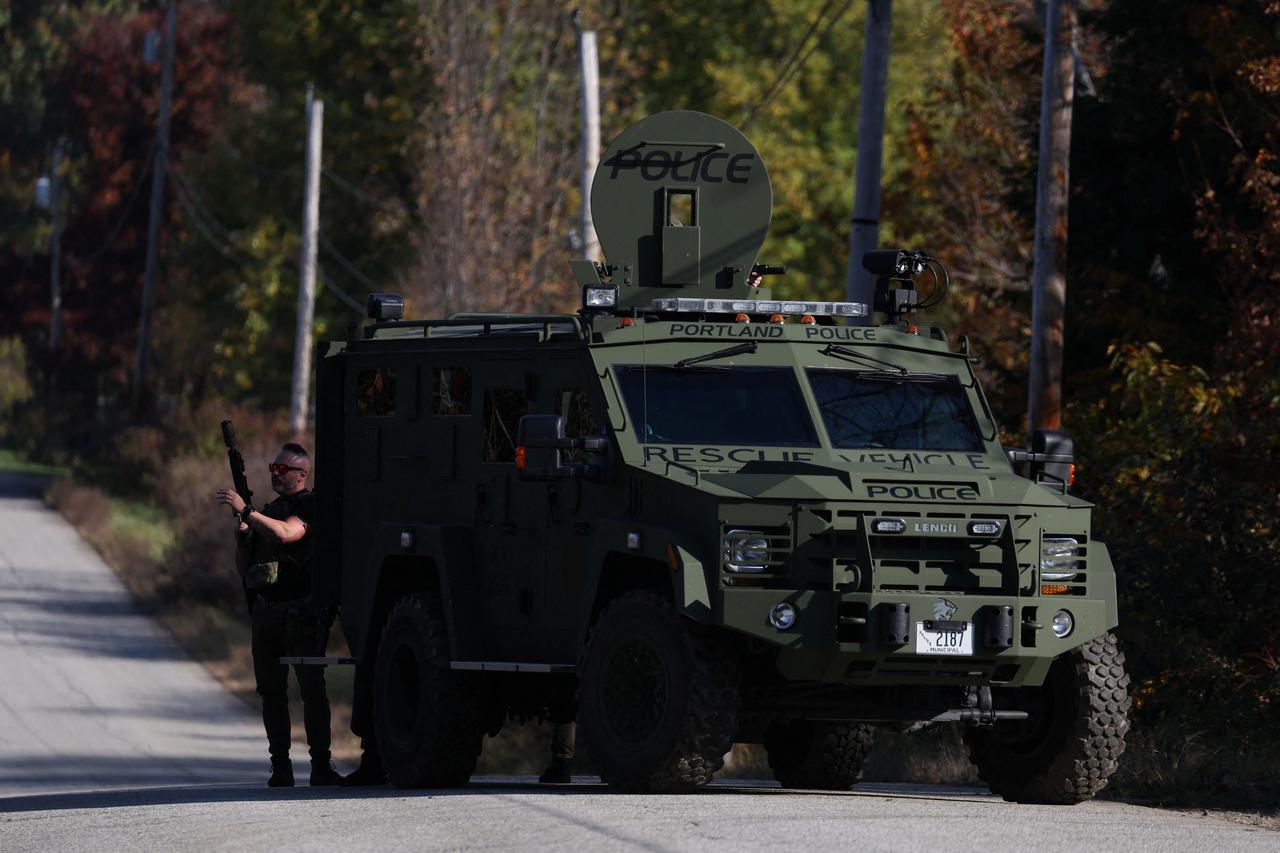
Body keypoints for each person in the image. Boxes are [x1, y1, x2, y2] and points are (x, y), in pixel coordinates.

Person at [216, 442, 343, 788]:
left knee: (311, 690)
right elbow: (245, 570)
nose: (276, 474)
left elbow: (288, 534)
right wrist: (243, 540)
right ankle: (281, 767)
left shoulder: (308, 504)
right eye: (274, 467)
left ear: (302, 474)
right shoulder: (268, 511)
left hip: (301, 613)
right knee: (271, 692)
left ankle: (321, 766)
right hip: (267, 614)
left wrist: (248, 514)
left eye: (284, 469)